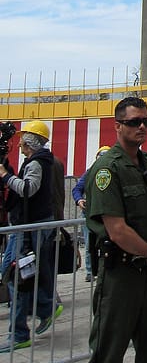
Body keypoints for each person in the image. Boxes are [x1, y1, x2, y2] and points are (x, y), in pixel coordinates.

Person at [85, 96, 147, 363]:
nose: (142, 127)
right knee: (109, 350)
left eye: (146, 122)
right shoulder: (107, 170)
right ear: (117, 126)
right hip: (121, 277)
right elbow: (117, 230)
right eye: (134, 122)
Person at [0, 120, 63, 353]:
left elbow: (28, 189)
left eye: (23, 139)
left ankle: (21, 331)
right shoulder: (41, 161)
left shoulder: (37, 163)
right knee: (24, 274)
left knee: (16, 275)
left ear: (30, 142)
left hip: (30, 226)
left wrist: (6, 177)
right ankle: (45, 308)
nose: (19, 144)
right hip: (31, 225)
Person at [72, 146, 111, 281]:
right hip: (89, 213)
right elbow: (77, 189)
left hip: (107, 213)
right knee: (90, 244)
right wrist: (79, 200)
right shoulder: (89, 173)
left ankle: (106, 269)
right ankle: (90, 271)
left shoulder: (113, 172)